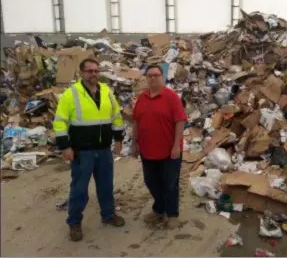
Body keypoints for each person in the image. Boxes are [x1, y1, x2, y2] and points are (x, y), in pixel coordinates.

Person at [53, 58, 125, 242]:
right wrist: (65, 146)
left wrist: (118, 139)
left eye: (96, 71)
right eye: (89, 71)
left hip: (103, 150)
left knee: (106, 186)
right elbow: (60, 122)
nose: (93, 74)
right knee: (79, 189)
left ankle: (108, 215)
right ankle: (74, 222)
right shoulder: (71, 94)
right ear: (81, 73)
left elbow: (116, 116)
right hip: (81, 151)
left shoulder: (107, 92)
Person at [131, 64, 187, 229]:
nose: (153, 78)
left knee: (170, 183)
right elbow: (136, 121)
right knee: (151, 182)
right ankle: (159, 209)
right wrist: (134, 145)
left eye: (156, 75)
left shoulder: (171, 97)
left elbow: (180, 121)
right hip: (147, 150)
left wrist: (176, 145)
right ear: (146, 78)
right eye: (150, 75)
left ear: (161, 77)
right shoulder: (142, 98)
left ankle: (172, 214)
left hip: (169, 152)